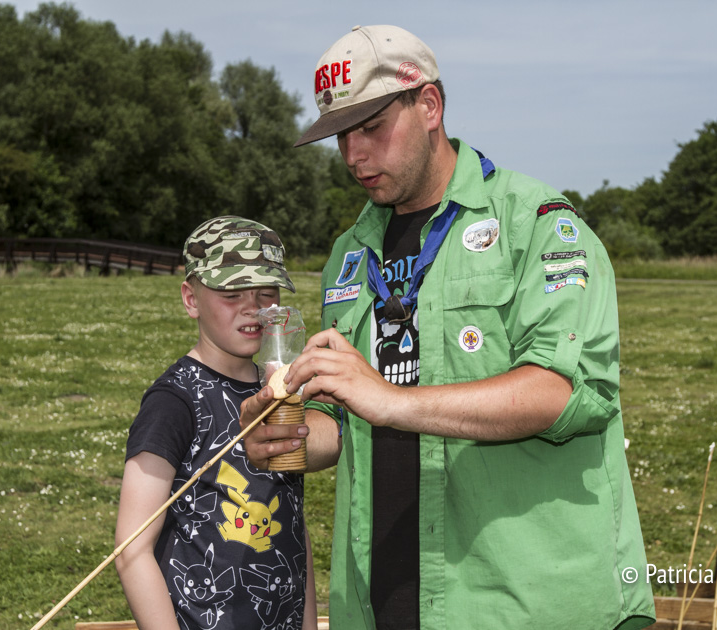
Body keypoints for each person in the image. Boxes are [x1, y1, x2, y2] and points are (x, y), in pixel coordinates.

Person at [240, 25, 655, 630]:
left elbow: (565, 392)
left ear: (429, 105)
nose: (354, 155)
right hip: (382, 604)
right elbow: (342, 417)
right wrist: (294, 443)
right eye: (340, 137)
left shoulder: (536, 226)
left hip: (522, 604)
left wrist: (388, 400)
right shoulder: (348, 256)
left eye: (372, 127)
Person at [115, 216, 317, 630]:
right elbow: (130, 550)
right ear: (191, 299)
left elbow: (295, 525)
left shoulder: (279, 393)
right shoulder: (175, 401)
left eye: (266, 293)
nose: (253, 308)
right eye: (231, 293)